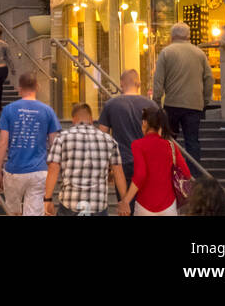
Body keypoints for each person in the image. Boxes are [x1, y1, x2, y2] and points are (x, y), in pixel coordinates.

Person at [45, 100, 129, 217]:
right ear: (91, 119)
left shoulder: (62, 138)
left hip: (70, 203)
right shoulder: (109, 140)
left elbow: (53, 169)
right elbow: (118, 172)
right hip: (98, 205)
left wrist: (47, 200)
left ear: (73, 119)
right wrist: (124, 201)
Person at [0, 71, 61, 217]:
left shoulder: (8, 110)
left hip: (14, 171)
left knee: (13, 212)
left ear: (19, 88)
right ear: (37, 86)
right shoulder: (48, 111)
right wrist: (54, 172)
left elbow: (3, 143)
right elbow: (54, 145)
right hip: (38, 171)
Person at [152, 21, 214, 171]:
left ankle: (170, 170)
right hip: (194, 105)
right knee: (192, 141)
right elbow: (209, 78)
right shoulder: (199, 53)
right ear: (189, 36)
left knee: (170, 140)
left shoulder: (166, 52)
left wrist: (156, 102)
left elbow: (158, 79)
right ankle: (194, 174)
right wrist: (205, 100)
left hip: (172, 103)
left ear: (172, 36)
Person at [98, 68, 158, 197]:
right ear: (139, 84)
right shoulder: (151, 105)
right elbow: (159, 136)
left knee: (125, 205)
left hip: (121, 163)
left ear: (121, 83)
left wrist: (108, 166)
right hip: (146, 162)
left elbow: (102, 137)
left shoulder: (110, 105)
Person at [123, 106, 190, 217]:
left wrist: (126, 200)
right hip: (169, 206)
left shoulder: (137, 145)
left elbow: (140, 175)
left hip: (144, 205)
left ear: (144, 123)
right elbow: (186, 173)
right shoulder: (171, 146)